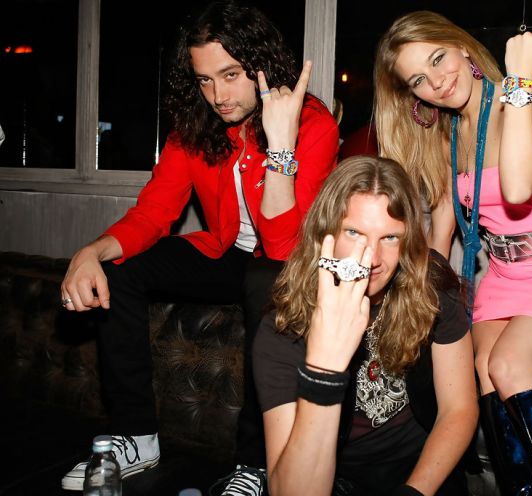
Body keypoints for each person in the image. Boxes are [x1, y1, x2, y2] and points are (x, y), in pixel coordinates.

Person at [59, 0, 339, 492]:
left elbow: (282, 245)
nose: (218, 96)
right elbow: (154, 211)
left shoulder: (313, 124)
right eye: (204, 80)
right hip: (225, 252)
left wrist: (280, 145)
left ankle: (256, 464)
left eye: (230, 75)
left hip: (290, 261)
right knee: (119, 268)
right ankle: (136, 435)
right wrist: (93, 251)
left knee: (266, 280)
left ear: (261, 66)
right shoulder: (194, 126)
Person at [374, 11, 532, 496]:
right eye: (418, 79)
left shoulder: (524, 98)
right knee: (482, 371)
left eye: (437, 59)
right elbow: (444, 220)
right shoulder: (449, 131)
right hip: (502, 278)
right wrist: (421, 293)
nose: (437, 82)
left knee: (507, 365)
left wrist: (521, 76)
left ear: (461, 46)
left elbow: (519, 187)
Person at [251, 156, 478, 495]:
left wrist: (414, 491)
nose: (372, 258)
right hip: (337, 479)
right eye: (354, 232)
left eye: (390, 237)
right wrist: (324, 370)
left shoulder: (431, 285)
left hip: (423, 472)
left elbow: (458, 409)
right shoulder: (284, 326)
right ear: (326, 232)